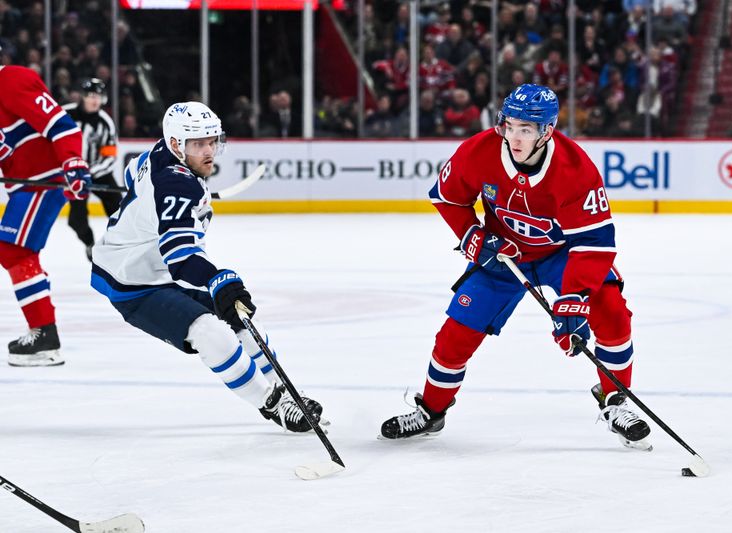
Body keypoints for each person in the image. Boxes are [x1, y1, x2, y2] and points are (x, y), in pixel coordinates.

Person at [380, 84, 651, 451]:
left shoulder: (575, 169)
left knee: (612, 313)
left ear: (547, 131)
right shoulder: (479, 151)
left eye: (526, 129)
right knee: (455, 335)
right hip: (502, 255)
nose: (515, 136)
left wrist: (575, 298)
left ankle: (617, 401)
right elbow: (447, 198)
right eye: (510, 125)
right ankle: (431, 411)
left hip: (563, 255)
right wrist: (472, 235)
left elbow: (593, 244)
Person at [90, 102, 323, 432]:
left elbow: (132, 172)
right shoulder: (178, 186)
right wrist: (218, 279)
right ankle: (271, 403)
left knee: (238, 316)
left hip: (156, 269)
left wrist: (146, 198)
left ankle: (287, 394)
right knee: (209, 331)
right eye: (198, 144)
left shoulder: (160, 154)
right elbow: (180, 256)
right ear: (176, 145)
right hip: (132, 282)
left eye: (212, 141)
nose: (209, 151)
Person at [0, 65, 92, 367]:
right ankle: (43, 332)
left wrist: (73, 162)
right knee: (17, 253)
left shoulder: (10, 79)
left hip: (43, 180)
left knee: (13, 251)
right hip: (26, 186)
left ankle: (44, 335)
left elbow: (62, 125)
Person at [63, 78, 120, 260]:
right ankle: (90, 244)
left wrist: (90, 172)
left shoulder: (105, 122)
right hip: (73, 176)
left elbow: (110, 156)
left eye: (99, 96)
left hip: (98, 174)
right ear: (83, 97)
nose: (95, 100)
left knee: (121, 212)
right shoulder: (65, 114)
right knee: (76, 220)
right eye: (91, 96)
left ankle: (119, 246)